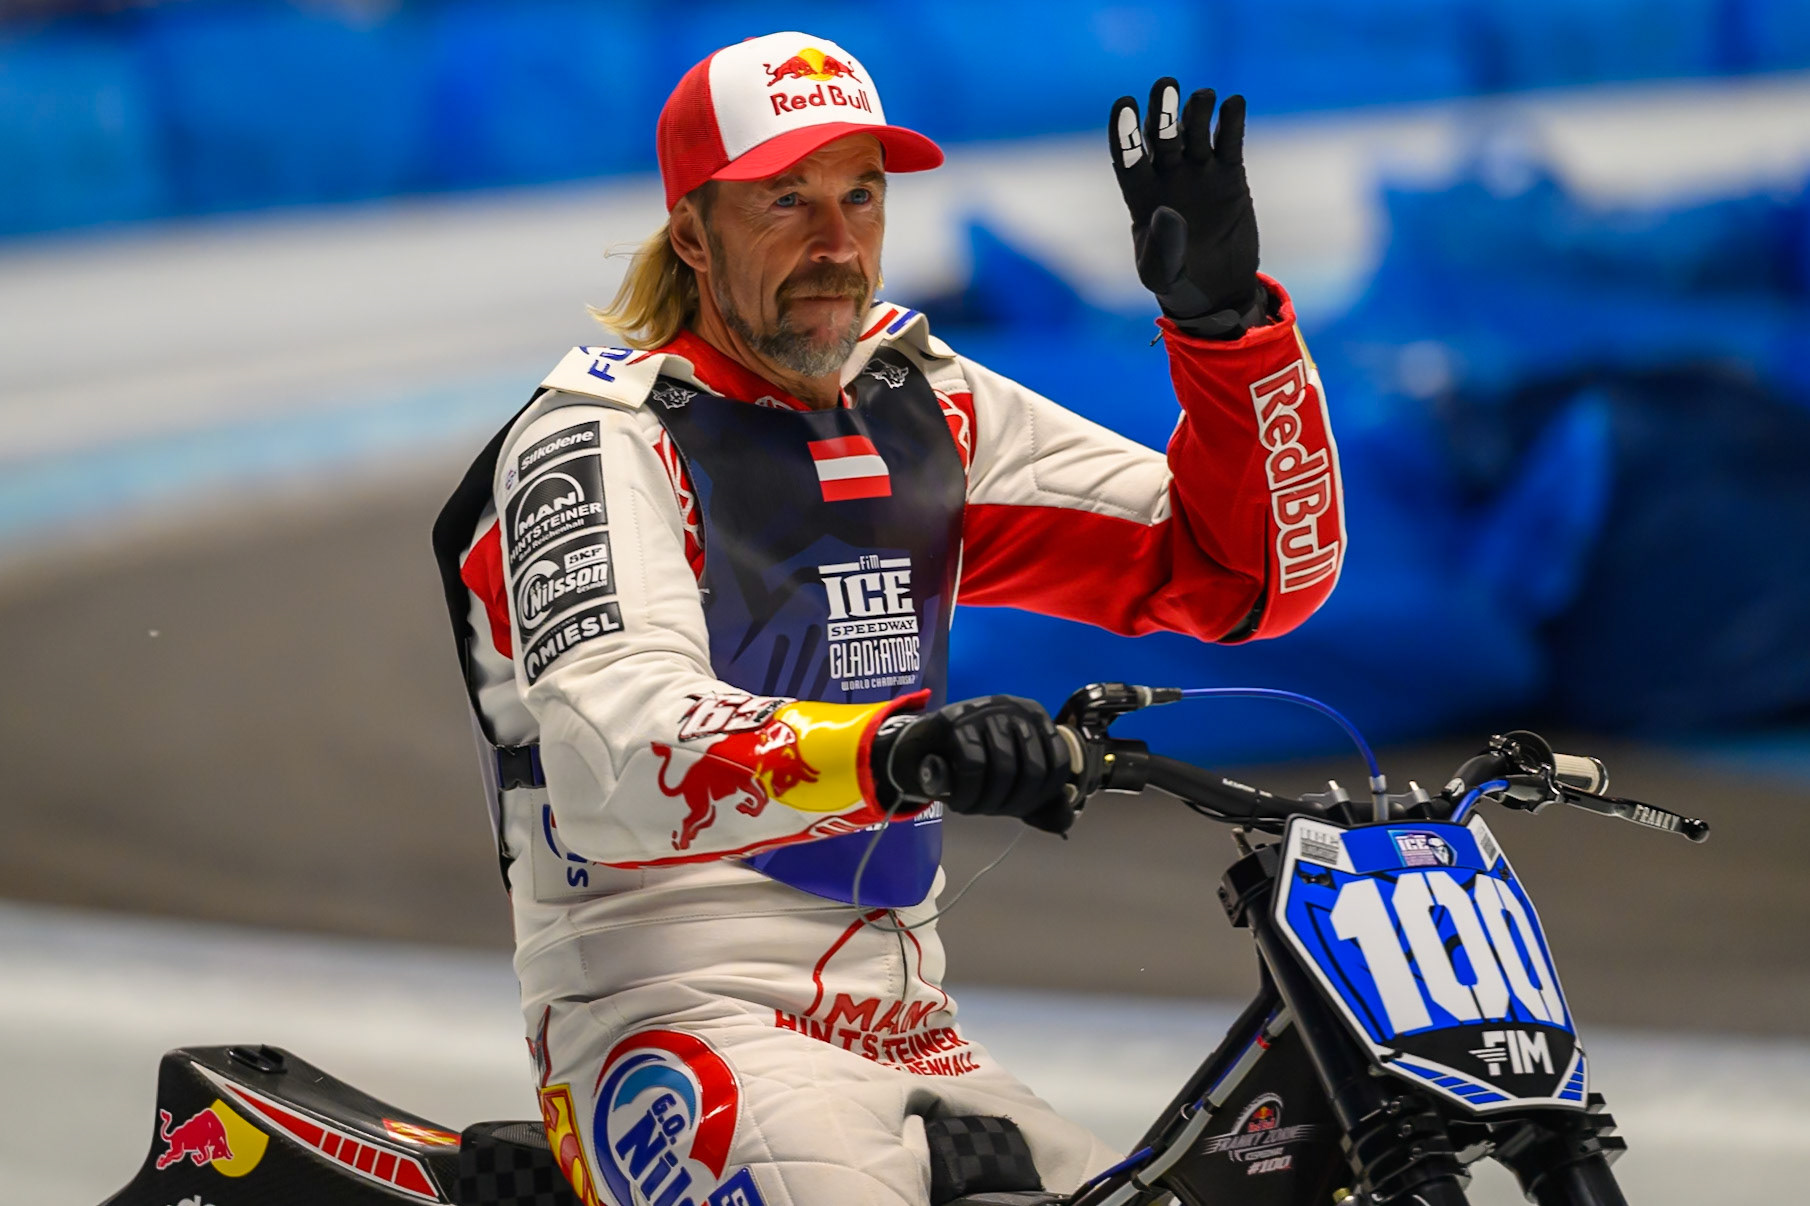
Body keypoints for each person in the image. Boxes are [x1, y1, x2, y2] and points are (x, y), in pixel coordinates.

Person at [431, 29, 1343, 1206]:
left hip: (914, 1025)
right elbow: (623, 752)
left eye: (861, 194)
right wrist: (899, 747)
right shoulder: (597, 440)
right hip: (665, 1013)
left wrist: (1227, 336)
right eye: (785, 199)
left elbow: (1247, 575)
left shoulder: (921, 404)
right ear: (693, 232)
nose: (835, 241)